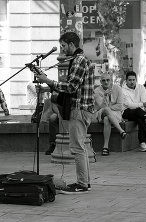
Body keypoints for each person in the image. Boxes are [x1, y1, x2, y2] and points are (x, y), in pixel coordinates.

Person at [36, 32, 94, 194]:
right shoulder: (79, 60)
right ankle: (85, 183)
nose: (61, 49)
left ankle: (82, 184)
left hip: (79, 109)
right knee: (80, 147)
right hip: (82, 108)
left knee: (76, 148)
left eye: (63, 46)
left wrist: (48, 81)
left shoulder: (79, 60)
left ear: (71, 44)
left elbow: (71, 87)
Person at [93, 73, 127, 156]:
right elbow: (101, 107)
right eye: (103, 80)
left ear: (111, 81)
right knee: (106, 109)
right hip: (100, 113)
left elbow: (120, 106)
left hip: (116, 114)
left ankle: (105, 147)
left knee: (107, 119)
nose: (106, 82)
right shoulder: (97, 91)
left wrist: (109, 107)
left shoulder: (118, 88)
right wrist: (105, 95)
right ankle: (121, 130)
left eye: (108, 80)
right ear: (100, 82)